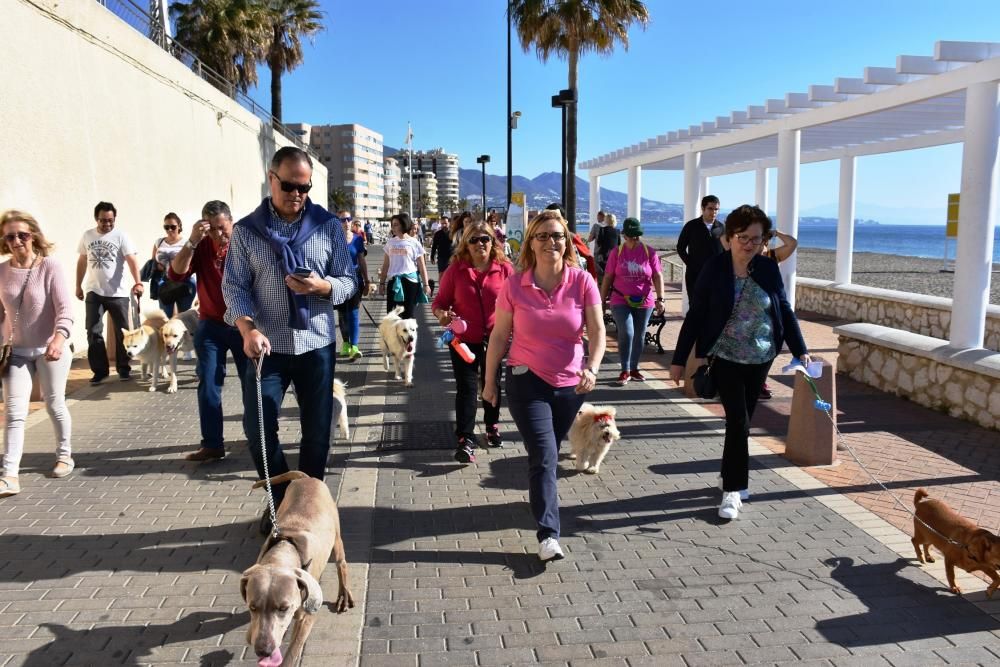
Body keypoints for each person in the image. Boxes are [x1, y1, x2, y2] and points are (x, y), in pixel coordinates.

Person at [222, 147, 356, 529]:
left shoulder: (327, 225)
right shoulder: (247, 231)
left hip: (316, 343)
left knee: (317, 429)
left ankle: (308, 505)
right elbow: (234, 287)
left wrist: (322, 286)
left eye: (304, 186)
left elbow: (349, 282)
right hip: (268, 346)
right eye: (290, 185)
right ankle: (280, 499)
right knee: (258, 427)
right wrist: (247, 328)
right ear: (271, 179)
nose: (297, 194)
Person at [670, 204, 811, 521]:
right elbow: (696, 315)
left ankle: (729, 473)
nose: (749, 244)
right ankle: (733, 491)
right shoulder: (714, 268)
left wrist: (800, 349)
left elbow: (784, 311)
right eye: (743, 237)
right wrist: (680, 359)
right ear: (730, 237)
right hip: (726, 358)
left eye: (756, 239)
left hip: (761, 358)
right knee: (738, 422)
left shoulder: (767, 268)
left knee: (741, 424)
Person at [483, 209, 606, 562]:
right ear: (530, 244)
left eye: (557, 236)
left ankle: (540, 496)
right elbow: (499, 336)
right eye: (542, 236)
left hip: (570, 385)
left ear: (567, 242)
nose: (551, 242)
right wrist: (490, 382)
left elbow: (597, 332)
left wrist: (593, 368)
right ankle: (549, 534)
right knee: (545, 454)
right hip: (526, 379)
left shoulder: (582, 281)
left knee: (545, 456)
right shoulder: (514, 284)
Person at [0, 210, 74, 497]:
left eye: (22, 234)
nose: (17, 240)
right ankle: (9, 475)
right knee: (15, 412)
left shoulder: (49, 267)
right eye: (10, 236)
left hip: (50, 349)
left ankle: (65, 454)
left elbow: (65, 309)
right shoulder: (2, 271)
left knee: (54, 403)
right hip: (16, 352)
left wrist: (59, 338)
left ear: (34, 236)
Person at [169, 200, 249, 462]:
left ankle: (258, 437)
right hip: (212, 324)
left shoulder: (246, 241)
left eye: (222, 227)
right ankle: (213, 444)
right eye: (211, 229)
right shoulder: (200, 245)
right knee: (209, 384)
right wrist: (192, 240)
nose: (218, 234)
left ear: (231, 221)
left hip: (244, 323)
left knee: (253, 383)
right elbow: (176, 274)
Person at [432, 222, 514, 464]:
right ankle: (465, 438)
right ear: (465, 244)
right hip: (463, 340)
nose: (481, 244)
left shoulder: (505, 270)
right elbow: (439, 302)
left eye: (485, 239)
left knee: (492, 382)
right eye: (474, 240)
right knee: (466, 388)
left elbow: (519, 300)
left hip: (495, 338)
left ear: (493, 241)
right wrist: (441, 315)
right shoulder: (455, 270)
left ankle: (491, 425)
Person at [76, 201, 143, 383]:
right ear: (96, 219)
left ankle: (123, 368)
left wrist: (138, 282)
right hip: (94, 291)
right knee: (93, 331)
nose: (107, 224)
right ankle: (100, 371)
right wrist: (78, 285)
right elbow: (82, 261)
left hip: (118, 293)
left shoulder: (121, 236)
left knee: (123, 332)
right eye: (103, 220)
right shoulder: (87, 236)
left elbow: (131, 260)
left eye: (110, 220)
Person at [599, 217, 665, 386]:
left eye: (635, 236)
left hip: (645, 300)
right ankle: (625, 369)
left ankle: (634, 369)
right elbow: (608, 277)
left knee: (639, 335)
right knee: (627, 332)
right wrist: (601, 300)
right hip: (620, 298)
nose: (633, 239)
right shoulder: (617, 252)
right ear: (624, 235)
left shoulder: (649, 252)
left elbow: (657, 276)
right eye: (630, 235)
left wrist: (661, 299)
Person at [757, 229, 799, 399]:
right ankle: (756, 382)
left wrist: (776, 232)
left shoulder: (772, 257)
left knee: (769, 349)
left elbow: (792, 243)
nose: (758, 245)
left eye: (761, 241)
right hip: (749, 311)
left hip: (769, 311)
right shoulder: (741, 258)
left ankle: (760, 381)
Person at [377, 213, 431, 319]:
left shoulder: (414, 242)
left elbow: (421, 265)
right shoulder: (390, 242)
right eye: (392, 225)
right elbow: (386, 265)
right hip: (394, 282)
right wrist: (382, 283)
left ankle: (406, 336)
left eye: (396, 224)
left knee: (407, 315)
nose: (393, 227)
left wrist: (426, 284)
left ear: (403, 224)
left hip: (410, 283)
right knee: (392, 315)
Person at [676, 195, 725, 297]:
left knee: (714, 307)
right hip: (695, 275)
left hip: (716, 276)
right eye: (710, 209)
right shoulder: (691, 226)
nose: (714, 212)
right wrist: (691, 264)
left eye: (716, 209)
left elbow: (727, 251)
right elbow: (680, 247)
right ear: (703, 208)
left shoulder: (722, 228)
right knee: (695, 307)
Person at [336, 210, 369, 360]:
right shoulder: (334, 239)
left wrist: (367, 280)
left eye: (348, 219)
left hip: (355, 279)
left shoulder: (357, 239)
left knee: (354, 313)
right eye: (343, 220)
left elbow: (362, 260)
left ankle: (354, 346)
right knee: (342, 314)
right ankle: (346, 344)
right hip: (339, 281)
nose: (346, 222)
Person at [151, 212, 196, 317]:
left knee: (185, 316)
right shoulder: (159, 242)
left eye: (173, 227)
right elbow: (153, 261)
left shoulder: (186, 243)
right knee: (165, 316)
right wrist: (157, 266)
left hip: (185, 281)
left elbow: (192, 262)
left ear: (179, 226)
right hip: (165, 282)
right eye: (166, 227)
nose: (169, 230)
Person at [594, 213, 620, 279]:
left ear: (606, 220)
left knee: (602, 276)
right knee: (613, 275)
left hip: (603, 256)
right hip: (614, 256)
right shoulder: (617, 231)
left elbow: (599, 243)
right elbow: (618, 244)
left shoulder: (602, 230)